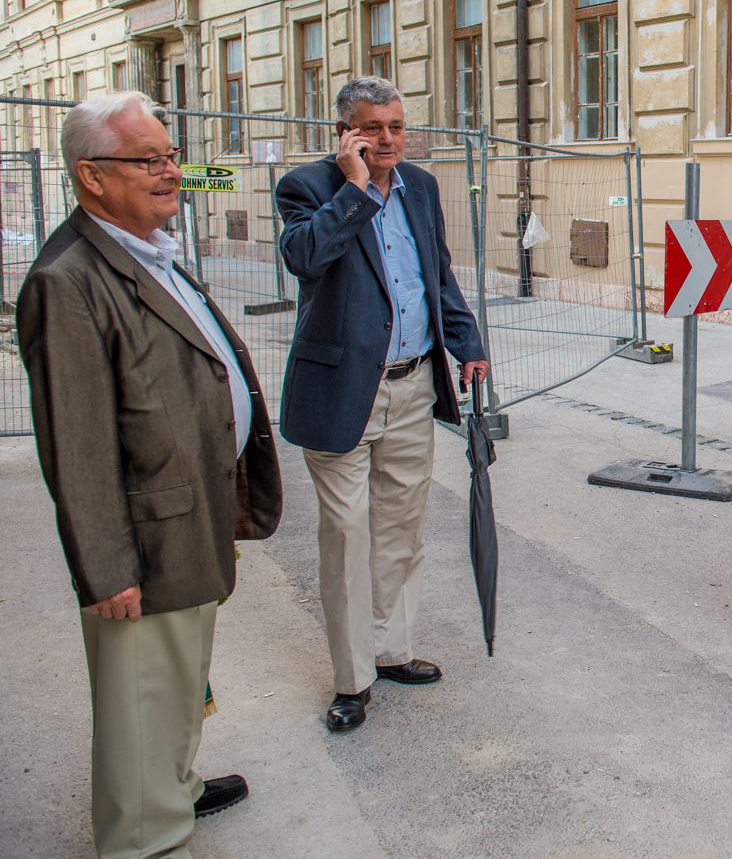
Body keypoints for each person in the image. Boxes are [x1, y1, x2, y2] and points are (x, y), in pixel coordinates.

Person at [18, 91, 283, 857]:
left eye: (171, 154)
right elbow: (77, 444)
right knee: (143, 697)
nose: (171, 170)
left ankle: (178, 787)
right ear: (92, 176)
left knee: (178, 682)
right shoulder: (68, 279)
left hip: (189, 513)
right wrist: (106, 571)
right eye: (149, 158)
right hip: (142, 542)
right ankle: (146, 833)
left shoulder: (144, 247)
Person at [276, 76, 487, 733]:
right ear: (345, 131)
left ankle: (391, 649)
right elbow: (305, 257)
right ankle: (352, 677)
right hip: (343, 391)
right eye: (374, 127)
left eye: (397, 125)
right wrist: (357, 187)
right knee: (345, 536)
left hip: (413, 382)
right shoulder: (307, 187)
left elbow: (437, 273)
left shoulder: (421, 187)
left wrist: (465, 340)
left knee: (401, 528)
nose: (390, 139)